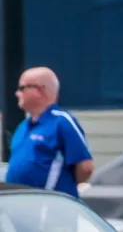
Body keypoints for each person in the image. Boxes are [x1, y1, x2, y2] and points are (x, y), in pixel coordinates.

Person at [3, 67, 94, 198]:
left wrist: (61, 188)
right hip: (21, 208)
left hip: (49, 208)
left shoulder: (61, 121)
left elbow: (85, 167)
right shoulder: (23, 126)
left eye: (22, 88)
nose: (17, 93)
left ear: (40, 90)